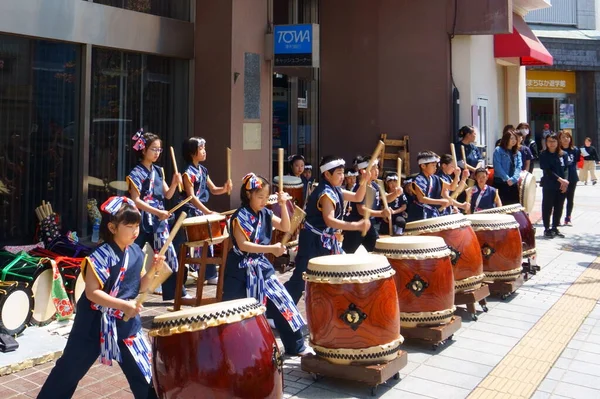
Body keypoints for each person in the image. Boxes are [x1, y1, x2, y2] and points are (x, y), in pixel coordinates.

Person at [38, 197, 161, 399]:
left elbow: (140, 286)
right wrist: (123, 305)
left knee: (145, 374)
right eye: (129, 226)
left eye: (137, 225)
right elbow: (92, 293)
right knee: (68, 372)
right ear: (112, 227)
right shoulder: (99, 256)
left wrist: (154, 270)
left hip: (126, 323)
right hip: (93, 324)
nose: (135, 231)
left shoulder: (137, 252)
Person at [222, 173, 306, 356]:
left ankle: (296, 345)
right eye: (260, 197)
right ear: (248, 194)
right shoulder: (240, 216)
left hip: (261, 267)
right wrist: (271, 248)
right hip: (240, 270)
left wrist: (283, 205)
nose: (263, 201)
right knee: (235, 313)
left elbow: (286, 226)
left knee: (283, 302)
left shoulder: (266, 213)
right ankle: (235, 351)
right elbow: (243, 245)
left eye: (266, 198)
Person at [285, 155, 369, 306]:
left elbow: (358, 196)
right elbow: (329, 220)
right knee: (302, 276)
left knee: (331, 274)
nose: (342, 177)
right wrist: (356, 226)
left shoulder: (335, 189)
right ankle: (279, 311)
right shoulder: (325, 193)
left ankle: (331, 308)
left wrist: (363, 182)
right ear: (327, 174)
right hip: (313, 241)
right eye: (338, 173)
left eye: (343, 173)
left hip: (325, 241)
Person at [127, 131, 182, 300]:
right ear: (143, 150)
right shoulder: (135, 173)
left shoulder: (158, 171)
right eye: (154, 149)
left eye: (159, 150)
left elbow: (167, 195)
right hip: (140, 220)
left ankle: (173, 294)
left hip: (158, 222)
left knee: (168, 255)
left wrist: (174, 184)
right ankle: (125, 290)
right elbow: (135, 200)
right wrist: (157, 212)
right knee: (132, 256)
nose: (157, 153)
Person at [173, 137, 232, 285]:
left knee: (207, 243)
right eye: (201, 149)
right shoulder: (187, 172)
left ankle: (209, 275)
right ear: (192, 152)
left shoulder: (203, 170)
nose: (204, 151)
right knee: (181, 246)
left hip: (199, 211)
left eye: (204, 148)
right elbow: (191, 197)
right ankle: (174, 278)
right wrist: (207, 211)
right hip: (187, 212)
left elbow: (213, 189)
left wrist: (225, 188)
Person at [342, 155, 392, 253]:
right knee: (347, 254)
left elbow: (386, 198)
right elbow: (361, 210)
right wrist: (381, 213)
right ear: (363, 171)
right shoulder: (359, 188)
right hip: (356, 225)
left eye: (377, 167)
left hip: (369, 225)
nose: (376, 171)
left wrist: (396, 193)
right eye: (373, 168)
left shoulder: (375, 185)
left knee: (378, 251)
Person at [409, 151, 454, 221]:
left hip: (432, 212)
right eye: (433, 165)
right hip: (420, 212)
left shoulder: (435, 178)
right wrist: (440, 201)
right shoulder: (419, 179)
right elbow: (421, 199)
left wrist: (459, 176)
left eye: (436, 165)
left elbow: (452, 187)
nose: (435, 168)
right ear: (423, 166)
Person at [539, 133, 569, 238]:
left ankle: (555, 227)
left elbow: (566, 169)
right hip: (549, 184)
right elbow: (547, 171)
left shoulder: (563, 154)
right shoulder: (543, 154)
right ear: (546, 143)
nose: (552, 144)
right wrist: (560, 180)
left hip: (561, 185)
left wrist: (565, 182)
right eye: (549, 141)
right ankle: (547, 228)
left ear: (558, 142)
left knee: (559, 206)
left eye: (554, 141)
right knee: (547, 206)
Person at [492, 130, 522, 205]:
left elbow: (519, 166)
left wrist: (514, 178)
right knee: (501, 206)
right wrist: (506, 178)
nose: (513, 141)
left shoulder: (517, 153)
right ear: (506, 139)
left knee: (513, 206)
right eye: (511, 138)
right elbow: (497, 166)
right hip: (501, 182)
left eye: (515, 139)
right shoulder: (498, 150)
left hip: (513, 182)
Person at [558, 130, 580, 226]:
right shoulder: (558, 150)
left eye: (567, 137)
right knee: (560, 199)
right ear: (560, 139)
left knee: (570, 199)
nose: (565, 139)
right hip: (561, 178)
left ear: (571, 139)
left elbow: (576, 161)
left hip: (572, 177)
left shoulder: (575, 150)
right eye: (563, 137)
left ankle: (568, 218)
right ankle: (557, 218)